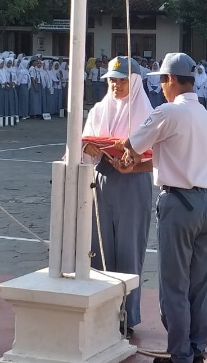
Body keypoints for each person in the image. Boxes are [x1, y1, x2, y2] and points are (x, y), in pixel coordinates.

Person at [120, 52, 207, 363]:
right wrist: (138, 163)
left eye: (163, 80)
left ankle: (180, 354)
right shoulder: (202, 113)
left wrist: (128, 157)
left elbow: (131, 145)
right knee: (201, 285)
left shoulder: (168, 112)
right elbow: (174, 157)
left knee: (174, 286)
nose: (161, 87)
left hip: (180, 204)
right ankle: (197, 348)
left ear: (172, 80)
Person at [82, 56, 153, 340]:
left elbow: (153, 152)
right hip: (102, 179)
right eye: (112, 79)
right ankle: (101, 312)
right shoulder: (99, 109)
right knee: (98, 248)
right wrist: (89, 147)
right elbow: (85, 143)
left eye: (122, 79)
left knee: (128, 249)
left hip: (133, 182)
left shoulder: (146, 113)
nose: (116, 85)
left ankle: (127, 316)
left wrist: (131, 157)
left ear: (134, 81)